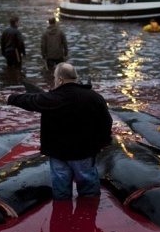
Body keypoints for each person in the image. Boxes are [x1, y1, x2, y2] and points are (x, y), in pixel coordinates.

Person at [6, 62, 112, 200]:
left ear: (60, 79)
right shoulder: (94, 97)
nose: (54, 80)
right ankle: (89, 212)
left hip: (58, 154)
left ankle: (62, 211)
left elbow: (29, 100)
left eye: (55, 77)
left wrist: (10, 98)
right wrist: (103, 142)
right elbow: (106, 122)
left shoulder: (50, 99)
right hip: (85, 152)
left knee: (61, 190)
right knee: (89, 188)